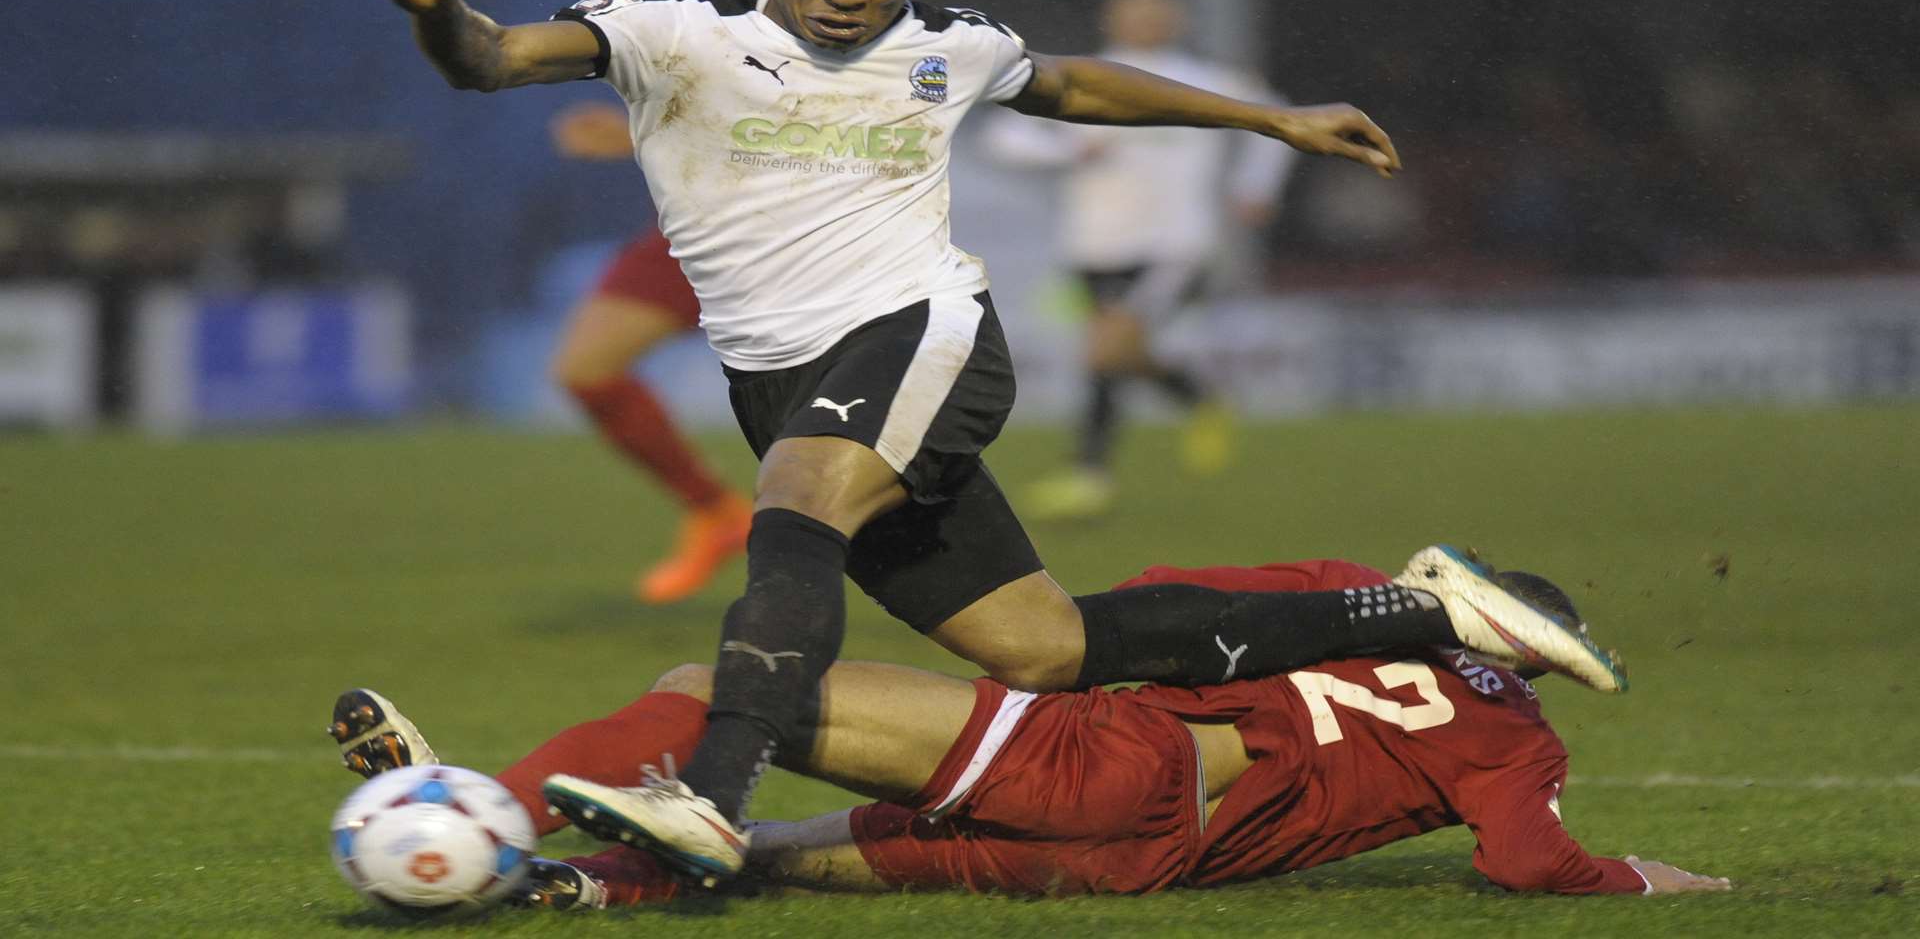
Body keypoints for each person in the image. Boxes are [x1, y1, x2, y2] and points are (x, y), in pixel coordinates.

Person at [361, 0, 1619, 883]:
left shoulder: (949, 41)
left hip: (916, 334)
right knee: (1043, 648)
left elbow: (1067, 81)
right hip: (773, 370)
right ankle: (1435, 608)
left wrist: (1267, 119)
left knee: (796, 508)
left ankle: (711, 795)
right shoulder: (666, 25)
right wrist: (431, 9)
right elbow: (490, 60)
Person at [330, 552, 1716, 910]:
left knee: (712, 689)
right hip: (1134, 861)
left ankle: (475, 807)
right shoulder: (1522, 745)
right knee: (761, 857)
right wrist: (1649, 881)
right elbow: (1532, 869)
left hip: (1101, 758)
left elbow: (1176, 615)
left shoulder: (1347, 600)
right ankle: (549, 883)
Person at [546, 0, 778, 606]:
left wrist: (633, 141)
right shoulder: (663, 12)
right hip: (692, 233)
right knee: (587, 369)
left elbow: (806, 133)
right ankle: (715, 511)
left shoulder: (810, 14)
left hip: (794, 240)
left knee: (824, 433)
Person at [983, 0, 1298, 520]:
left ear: (1177, 20)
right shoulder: (1082, 75)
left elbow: (1276, 120)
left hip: (1176, 244)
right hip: (1096, 243)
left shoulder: (1207, 79)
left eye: (1156, 14)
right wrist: (1069, 148)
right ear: (1111, 18)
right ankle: (1196, 397)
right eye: (1134, 13)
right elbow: (1004, 138)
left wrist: (1255, 187)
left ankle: (1089, 473)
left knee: (1106, 351)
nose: (1145, 22)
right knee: (1111, 356)